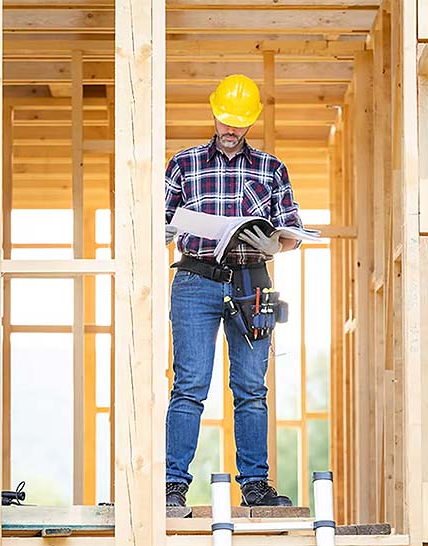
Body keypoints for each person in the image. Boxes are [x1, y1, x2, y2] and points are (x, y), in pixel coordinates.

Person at [162, 74, 305, 507]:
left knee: (251, 388)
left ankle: (256, 486)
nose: (230, 130)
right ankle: (172, 486)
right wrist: (175, 226)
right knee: (189, 386)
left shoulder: (272, 168)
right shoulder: (183, 164)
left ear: (251, 122)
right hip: (194, 281)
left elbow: (293, 232)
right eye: (225, 120)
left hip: (252, 282)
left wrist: (277, 243)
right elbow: (157, 222)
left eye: (239, 123)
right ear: (213, 112)